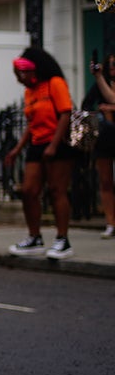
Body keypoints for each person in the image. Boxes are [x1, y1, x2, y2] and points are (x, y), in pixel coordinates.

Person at [4, 48, 75, 259]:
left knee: (56, 191)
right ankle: (34, 237)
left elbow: (65, 113)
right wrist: (17, 149)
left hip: (58, 142)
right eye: (18, 75)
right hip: (37, 144)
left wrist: (53, 146)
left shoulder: (55, 83)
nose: (20, 79)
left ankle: (63, 240)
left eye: (23, 74)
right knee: (28, 190)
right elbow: (31, 124)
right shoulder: (30, 92)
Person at [83, 53, 115, 239]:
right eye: (109, 64)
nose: (111, 67)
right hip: (105, 138)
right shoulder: (99, 85)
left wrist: (111, 108)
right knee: (105, 181)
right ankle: (110, 222)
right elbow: (86, 105)